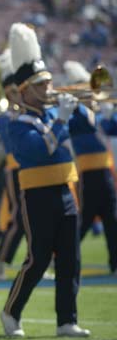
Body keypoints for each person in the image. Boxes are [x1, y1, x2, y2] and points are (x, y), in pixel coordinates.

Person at [0, 23, 89, 338]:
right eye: (43, 84)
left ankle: (67, 319)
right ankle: (11, 312)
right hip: (37, 196)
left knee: (70, 258)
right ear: (25, 90)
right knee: (38, 259)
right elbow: (41, 149)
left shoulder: (52, 115)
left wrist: (80, 109)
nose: (50, 89)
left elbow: (87, 127)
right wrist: (62, 118)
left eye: (50, 82)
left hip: (65, 191)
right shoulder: (18, 123)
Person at [64, 61, 117, 277]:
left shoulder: (101, 113)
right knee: (82, 224)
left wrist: (109, 113)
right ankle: (64, 261)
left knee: (112, 221)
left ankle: (115, 264)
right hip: (87, 175)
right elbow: (84, 128)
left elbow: (112, 128)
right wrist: (93, 112)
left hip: (106, 173)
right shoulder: (76, 115)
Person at [0, 49, 25, 281]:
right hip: (16, 170)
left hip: (33, 169)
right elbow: (11, 139)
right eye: (14, 91)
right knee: (19, 217)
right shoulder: (5, 117)